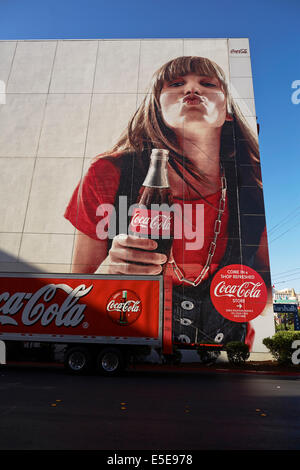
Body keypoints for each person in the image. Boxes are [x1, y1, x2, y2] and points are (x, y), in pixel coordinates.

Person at [65, 56, 270, 349]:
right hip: (129, 346)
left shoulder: (255, 184)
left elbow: (267, 282)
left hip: (226, 354)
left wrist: (251, 298)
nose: (192, 89)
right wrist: (109, 271)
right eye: (177, 83)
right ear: (157, 107)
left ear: (228, 112)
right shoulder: (108, 174)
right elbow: (78, 292)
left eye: (207, 83)